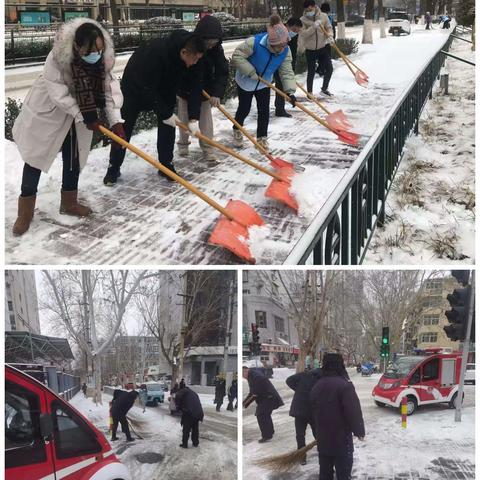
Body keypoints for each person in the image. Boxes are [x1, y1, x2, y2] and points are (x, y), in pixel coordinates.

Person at [12, 19, 125, 236]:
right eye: (91, 51)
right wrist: (84, 115)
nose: (97, 55)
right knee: (36, 158)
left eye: (100, 50)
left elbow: (109, 90)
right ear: (77, 47)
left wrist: (116, 120)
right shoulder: (57, 58)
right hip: (50, 110)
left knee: (73, 157)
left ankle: (69, 203)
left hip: (84, 109)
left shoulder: (103, 60)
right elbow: (58, 94)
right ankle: (24, 212)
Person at [102, 31, 205, 185]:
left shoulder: (192, 56)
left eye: (198, 59)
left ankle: (166, 165)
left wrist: (193, 118)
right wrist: (164, 112)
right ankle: (114, 167)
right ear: (184, 52)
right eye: (195, 59)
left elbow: (195, 86)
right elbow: (145, 87)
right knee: (124, 128)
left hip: (165, 90)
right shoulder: (156, 53)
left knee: (168, 125)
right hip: (135, 89)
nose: (196, 62)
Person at [231, 14, 297, 151]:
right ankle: (237, 128)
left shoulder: (285, 50)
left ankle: (262, 138)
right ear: (271, 43)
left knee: (264, 111)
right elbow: (237, 56)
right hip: (246, 81)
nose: (282, 49)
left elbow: (286, 72)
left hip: (264, 82)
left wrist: (290, 91)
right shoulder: (254, 43)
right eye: (279, 46)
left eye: (284, 45)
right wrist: (250, 72)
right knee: (244, 108)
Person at [176, 15, 229, 159]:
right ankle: (183, 145)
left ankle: (207, 148)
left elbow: (222, 71)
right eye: (209, 42)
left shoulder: (217, 50)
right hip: (186, 88)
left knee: (205, 121)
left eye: (214, 42)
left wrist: (217, 93)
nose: (211, 46)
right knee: (184, 119)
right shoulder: (190, 46)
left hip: (206, 90)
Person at [310, 353, 365, 480]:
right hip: (341, 442)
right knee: (343, 474)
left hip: (323, 441)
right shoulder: (345, 385)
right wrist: (359, 431)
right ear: (340, 365)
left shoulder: (317, 385)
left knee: (325, 474)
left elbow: (312, 410)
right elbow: (353, 412)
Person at [286, 366, 323, 465]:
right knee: (318, 433)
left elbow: (288, 380)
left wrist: (297, 389)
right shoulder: (321, 379)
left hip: (299, 410)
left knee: (300, 435)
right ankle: (322, 452)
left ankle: (302, 456)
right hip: (312, 411)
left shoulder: (303, 375)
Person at [300, 0, 334, 96]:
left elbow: (329, 27)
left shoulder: (323, 16)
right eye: (306, 10)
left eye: (310, 9)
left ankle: (324, 89)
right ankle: (309, 93)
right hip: (310, 50)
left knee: (329, 69)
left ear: (314, 6)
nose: (308, 11)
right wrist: (313, 27)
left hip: (322, 48)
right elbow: (304, 34)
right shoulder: (302, 20)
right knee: (311, 72)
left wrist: (330, 36)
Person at [243, 364, 284, 443]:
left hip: (268, 397)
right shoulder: (252, 376)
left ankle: (267, 436)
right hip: (266, 397)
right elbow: (252, 391)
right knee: (265, 415)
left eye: (242, 374)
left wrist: (245, 404)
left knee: (261, 415)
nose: (243, 377)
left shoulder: (255, 376)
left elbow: (255, 392)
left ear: (246, 371)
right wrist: (244, 402)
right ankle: (270, 432)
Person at [274, 17, 303, 118]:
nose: (295, 32)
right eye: (294, 30)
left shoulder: (292, 35)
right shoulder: (278, 34)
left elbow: (293, 50)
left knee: (281, 84)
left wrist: (291, 65)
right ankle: (279, 109)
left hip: (288, 61)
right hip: (277, 61)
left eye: (298, 31)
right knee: (280, 84)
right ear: (288, 26)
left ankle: (279, 107)